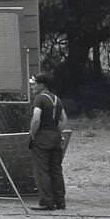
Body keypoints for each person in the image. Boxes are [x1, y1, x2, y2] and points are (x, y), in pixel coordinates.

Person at [28, 73, 69, 211]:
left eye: (34, 83)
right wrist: (56, 132)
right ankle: (60, 201)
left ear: (41, 85)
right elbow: (64, 120)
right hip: (55, 138)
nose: (32, 86)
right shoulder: (57, 99)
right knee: (56, 170)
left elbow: (36, 118)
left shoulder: (39, 99)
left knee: (42, 170)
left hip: (42, 138)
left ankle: (47, 201)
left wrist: (33, 134)